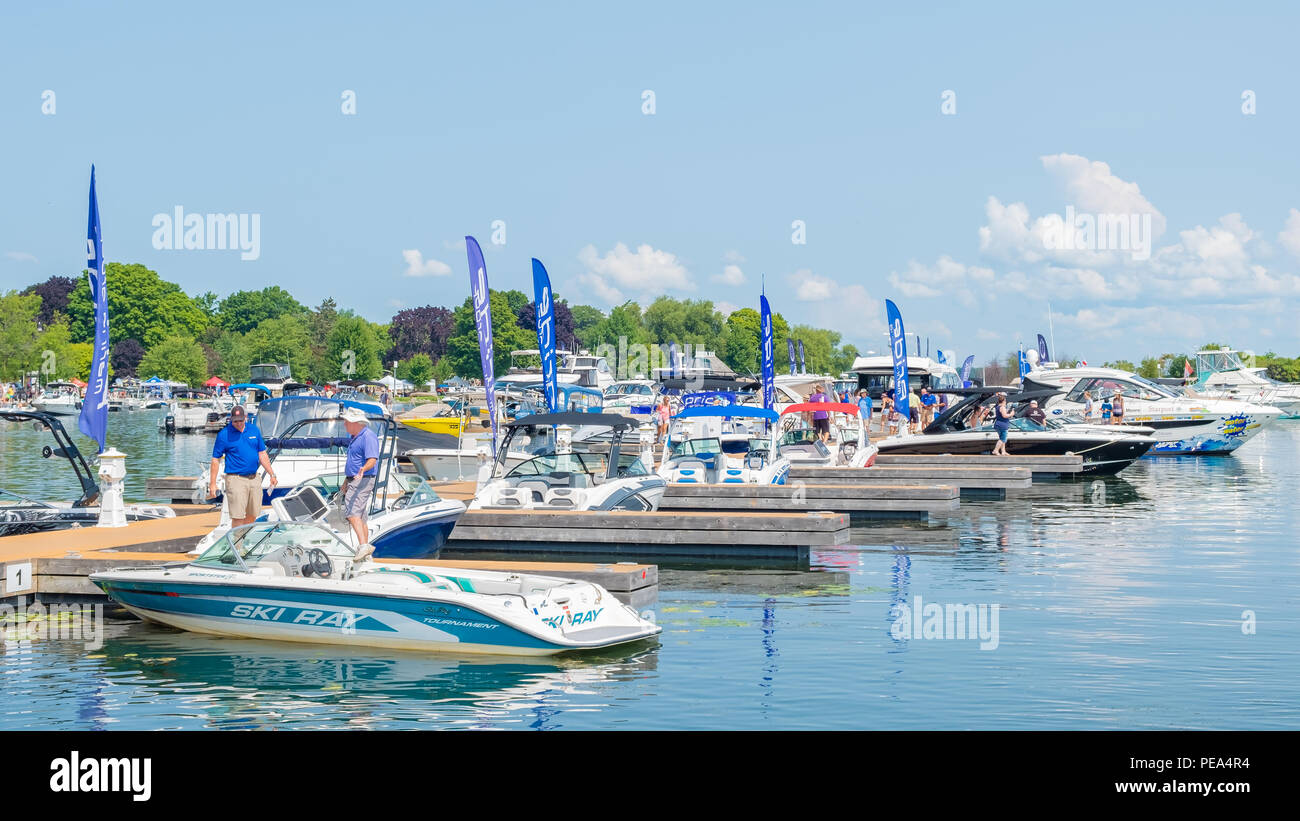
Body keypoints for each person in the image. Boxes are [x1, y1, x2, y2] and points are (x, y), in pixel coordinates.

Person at [209, 405, 277, 528]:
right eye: (235, 421)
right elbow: (215, 460)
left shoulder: (254, 430)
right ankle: (238, 545)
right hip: (236, 479)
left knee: (253, 514)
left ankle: (244, 542)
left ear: (245, 417)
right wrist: (212, 483)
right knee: (238, 517)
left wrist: (272, 474)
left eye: (241, 420)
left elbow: (262, 453)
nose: (238, 423)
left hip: (254, 478)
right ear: (231, 419)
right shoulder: (224, 435)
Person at [340, 406, 380, 562]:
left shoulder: (368, 436)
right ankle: (366, 550)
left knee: (352, 512)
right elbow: (353, 461)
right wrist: (346, 481)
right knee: (360, 516)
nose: (344, 425)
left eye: (346, 421)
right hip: (355, 479)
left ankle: (363, 546)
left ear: (354, 422)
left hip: (362, 479)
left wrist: (363, 469)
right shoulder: (355, 436)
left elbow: (372, 459)